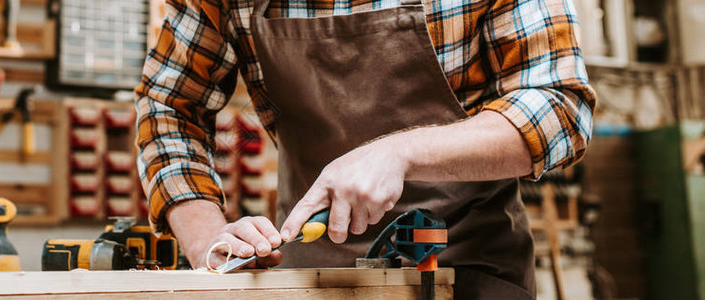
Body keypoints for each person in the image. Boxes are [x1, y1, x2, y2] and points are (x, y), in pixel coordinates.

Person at [134, 0, 596, 298]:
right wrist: (205, 238)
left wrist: (400, 153)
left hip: (466, 270)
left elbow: (560, 106)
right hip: (309, 277)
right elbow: (170, 106)